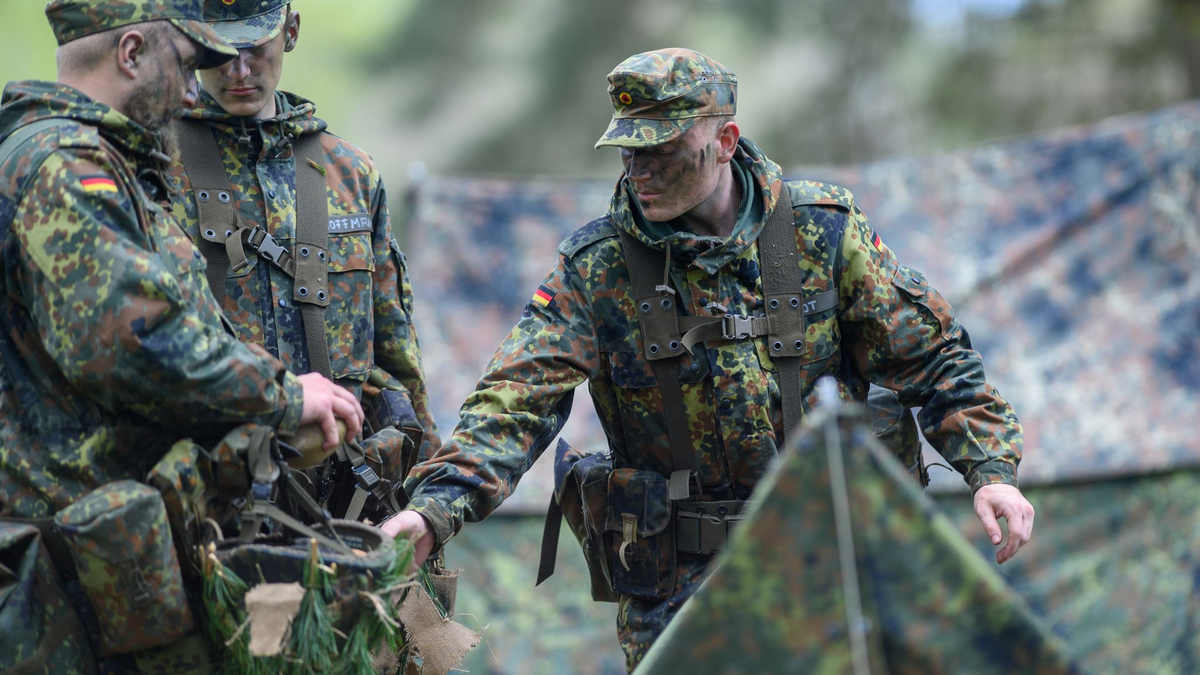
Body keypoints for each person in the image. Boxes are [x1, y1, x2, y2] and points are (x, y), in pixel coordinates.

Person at [385, 48, 1036, 670]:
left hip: (835, 561)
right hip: (681, 591)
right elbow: (513, 403)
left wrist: (991, 470)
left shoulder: (823, 231)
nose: (639, 172)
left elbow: (934, 358)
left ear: (725, 141)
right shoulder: (597, 269)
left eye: (661, 150)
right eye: (628, 151)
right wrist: (433, 507)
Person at [0, 1, 362, 672]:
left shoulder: (87, 162)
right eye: (188, 64)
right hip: (63, 595)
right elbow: (133, 341)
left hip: (99, 576)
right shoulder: (64, 168)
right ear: (132, 53)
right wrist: (284, 396)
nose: (196, 91)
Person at [167, 0, 439, 521]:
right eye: (220, 50)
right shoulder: (156, 170)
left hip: (345, 505)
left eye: (254, 47)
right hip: (209, 504)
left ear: (290, 31)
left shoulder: (350, 173)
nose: (238, 70)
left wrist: (427, 500)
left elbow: (397, 353)